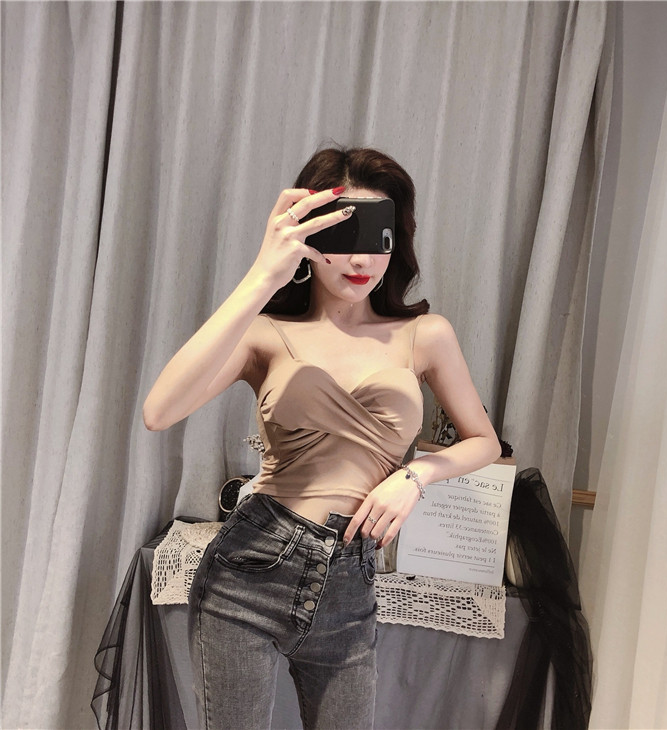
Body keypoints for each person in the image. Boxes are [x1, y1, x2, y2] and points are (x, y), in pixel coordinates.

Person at [143, 147, 501, 730]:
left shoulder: (425, 334)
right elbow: (159, 411)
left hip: (350, 582)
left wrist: (416, 476)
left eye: (377, 236)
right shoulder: (266, 333)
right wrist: (264, 274)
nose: (360, 259)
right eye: (341, 234)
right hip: (251, 568)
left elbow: (483, 441)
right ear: (307, 236)